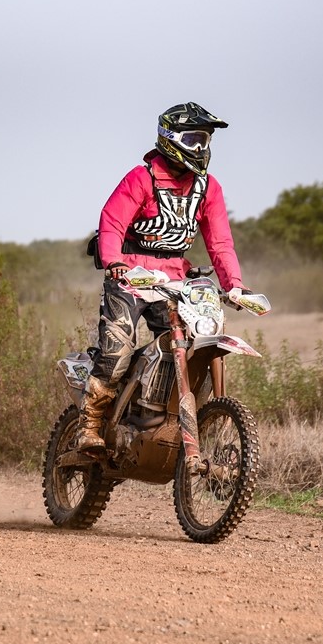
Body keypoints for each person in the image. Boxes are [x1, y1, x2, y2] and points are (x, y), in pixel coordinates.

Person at [77, 102, 250, 451]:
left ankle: (173, 420)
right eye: (194, 139)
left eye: (205, 140)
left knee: (195, 343)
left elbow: (220, 242)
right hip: (131, 276)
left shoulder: (208, 188)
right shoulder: (142, 178)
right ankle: (89, 426)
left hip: (176, 280)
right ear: (171, 139)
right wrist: (113, 261)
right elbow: (111, 221)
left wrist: (234, 285)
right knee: (117, 351)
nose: (201, 147)